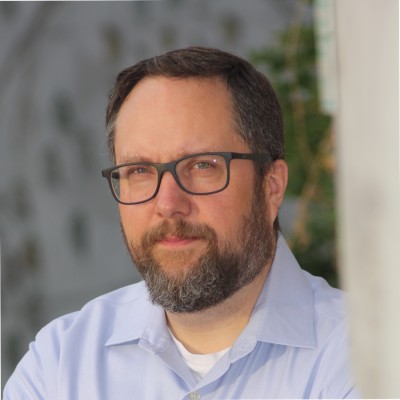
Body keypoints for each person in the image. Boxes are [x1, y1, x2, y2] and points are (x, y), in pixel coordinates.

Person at [4, 46, 359, 399]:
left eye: (202, 166)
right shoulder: (59, 364)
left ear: (271, 187)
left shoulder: (361, 355)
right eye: (139, 171)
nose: (168, 205)